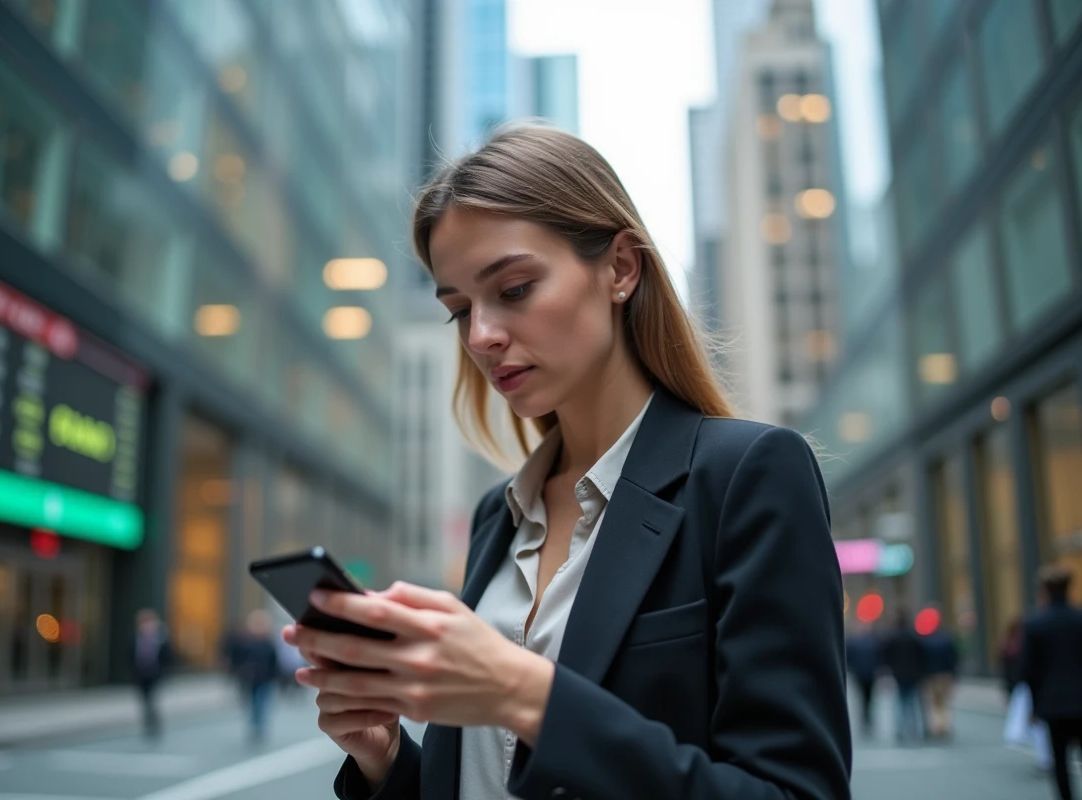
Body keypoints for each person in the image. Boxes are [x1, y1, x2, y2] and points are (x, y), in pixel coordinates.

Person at [283, 124, 851, 800]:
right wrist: (386, 762)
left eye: (515, 288)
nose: (483, 336)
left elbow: (796, 792)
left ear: (620, 268)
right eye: (458, 311)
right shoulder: (500, 514)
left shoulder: (749, 475)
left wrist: (526, 696)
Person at [1021, 565, 1082, 800]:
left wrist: (1034, 705)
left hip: (1053, 702)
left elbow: (1030, 670)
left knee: (1060, 758)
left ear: (1045, 590)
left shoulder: (1036, 624)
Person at [880, 608, 927, 744]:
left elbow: (885, 656)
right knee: (912, 702)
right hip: (913, 674)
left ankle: (900, 729)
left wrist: (887, 671)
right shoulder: (914, 637)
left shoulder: (892, 637)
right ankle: (913, 729)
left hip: (898, 674)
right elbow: (922, 656)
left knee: (900, 701)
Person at [237, 610, 281, 744]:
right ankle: (254, 724)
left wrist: (275, 677)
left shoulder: (269, 644)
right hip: (252, 680)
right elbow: (241, 661)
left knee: (261, 703)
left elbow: (274, 662)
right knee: (253, 703)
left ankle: (259, 726)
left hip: (265, 679)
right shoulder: (247, 644)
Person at [130, 608, 171, 739]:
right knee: (144, 701)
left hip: (155, 674)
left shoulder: (161, 639)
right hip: (141, 675)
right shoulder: (135, 638)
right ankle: (148, 723)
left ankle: (154, 724)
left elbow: (168, 657)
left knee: (152, 700)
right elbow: (130, 655)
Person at [921, 611, 959, 740]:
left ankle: (936, 726)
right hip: (944, 675)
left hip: (931, 675)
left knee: (933, 702)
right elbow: (953, 658)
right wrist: (953, 674)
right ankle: (944, 725)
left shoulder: (926, 641)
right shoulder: (947, 639)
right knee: (944, 701)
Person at [846, 622, 881, 737]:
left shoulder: (873, 641)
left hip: (870, 674)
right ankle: (865, 719)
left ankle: (868, 719)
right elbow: (849, 657)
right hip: (859, 675)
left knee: (869, 698)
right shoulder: (854, 641)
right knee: (862, 698)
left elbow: (878, 657)